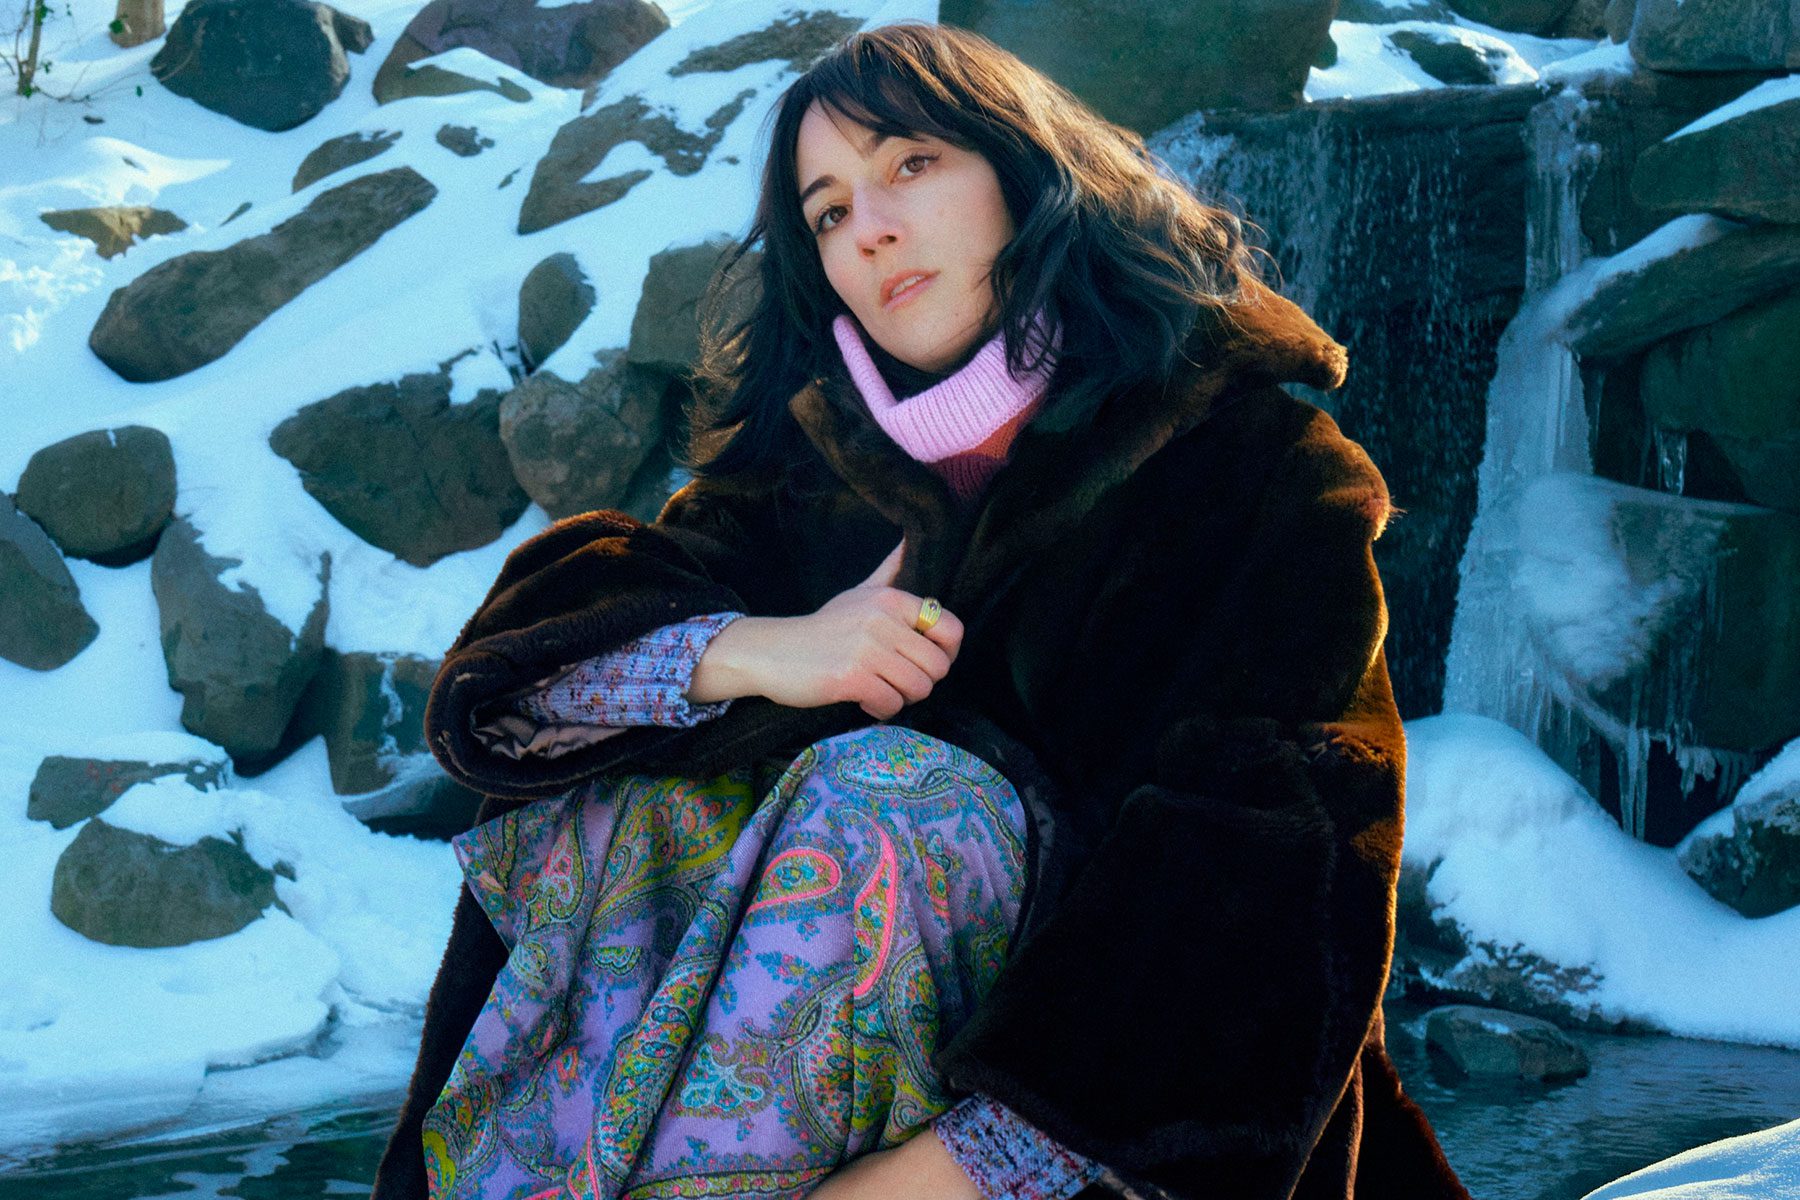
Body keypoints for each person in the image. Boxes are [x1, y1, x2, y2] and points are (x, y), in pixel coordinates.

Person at [373, 20, 1474, 1200]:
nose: (871, 230)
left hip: (1078, 1154)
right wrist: (762, 652)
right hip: (767, 1141)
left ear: (1024, 171)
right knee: (624, 786)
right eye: (828, 212)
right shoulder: (805, 480)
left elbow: (1265, 886)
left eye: (909, 164)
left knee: (895, 792)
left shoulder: (1247, 467)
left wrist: (933, 1178)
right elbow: (509, 698)